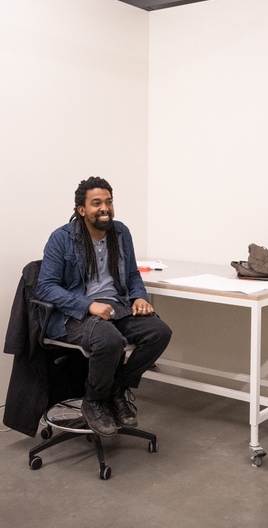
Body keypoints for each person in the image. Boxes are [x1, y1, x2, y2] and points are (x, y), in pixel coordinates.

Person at [36, 176, 172, 437]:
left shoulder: (121, 233)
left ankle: (117, 390)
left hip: (117, 307)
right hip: (74, 313)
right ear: (82, 210)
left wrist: (139, 297)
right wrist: (88, 305)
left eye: (108, 202)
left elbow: (132, 274)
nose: (104, 208)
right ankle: (95, 400)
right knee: (110, 340)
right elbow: (46, 287)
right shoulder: (61, 238)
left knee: (159, 332)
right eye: (96, 203)